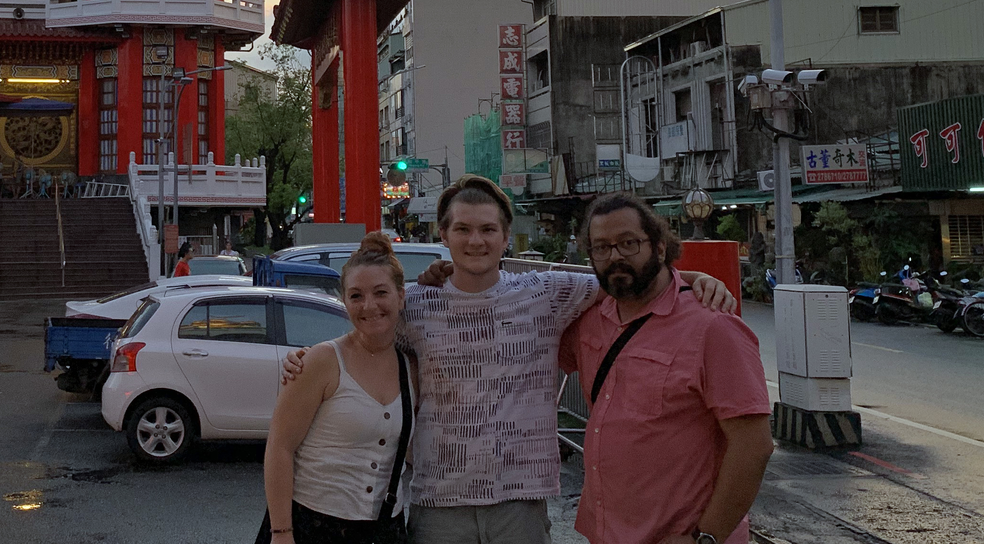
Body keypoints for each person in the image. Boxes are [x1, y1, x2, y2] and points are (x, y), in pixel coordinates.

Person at [284, 176, 737, 544]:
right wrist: (306, 358)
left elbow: (629, 281)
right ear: (444, 235)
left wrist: (692, 277)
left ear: (505, 235)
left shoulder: (547, 292)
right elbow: (362, 335)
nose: (475, 240)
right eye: (462, 229)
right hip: (438, 503)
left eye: (487, 230)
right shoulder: (416, 305)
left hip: (521, 502)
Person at [559, 192, 773, 544]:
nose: (615, 257)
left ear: (659, 248)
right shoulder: (590, 320)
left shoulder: (713, 327)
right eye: (601, 247)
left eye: (628, 243)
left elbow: (754, 445)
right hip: (606, 533)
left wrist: (705, 537)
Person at [260, 232, 415, 544]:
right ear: (344, 302)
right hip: (314, 527)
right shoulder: (322, 361)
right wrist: (281, 532)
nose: (369, 306)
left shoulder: (410, 368)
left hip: (384, 529)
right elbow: (280, 447)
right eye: (356, 296)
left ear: (401, 296)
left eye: (381, 292)